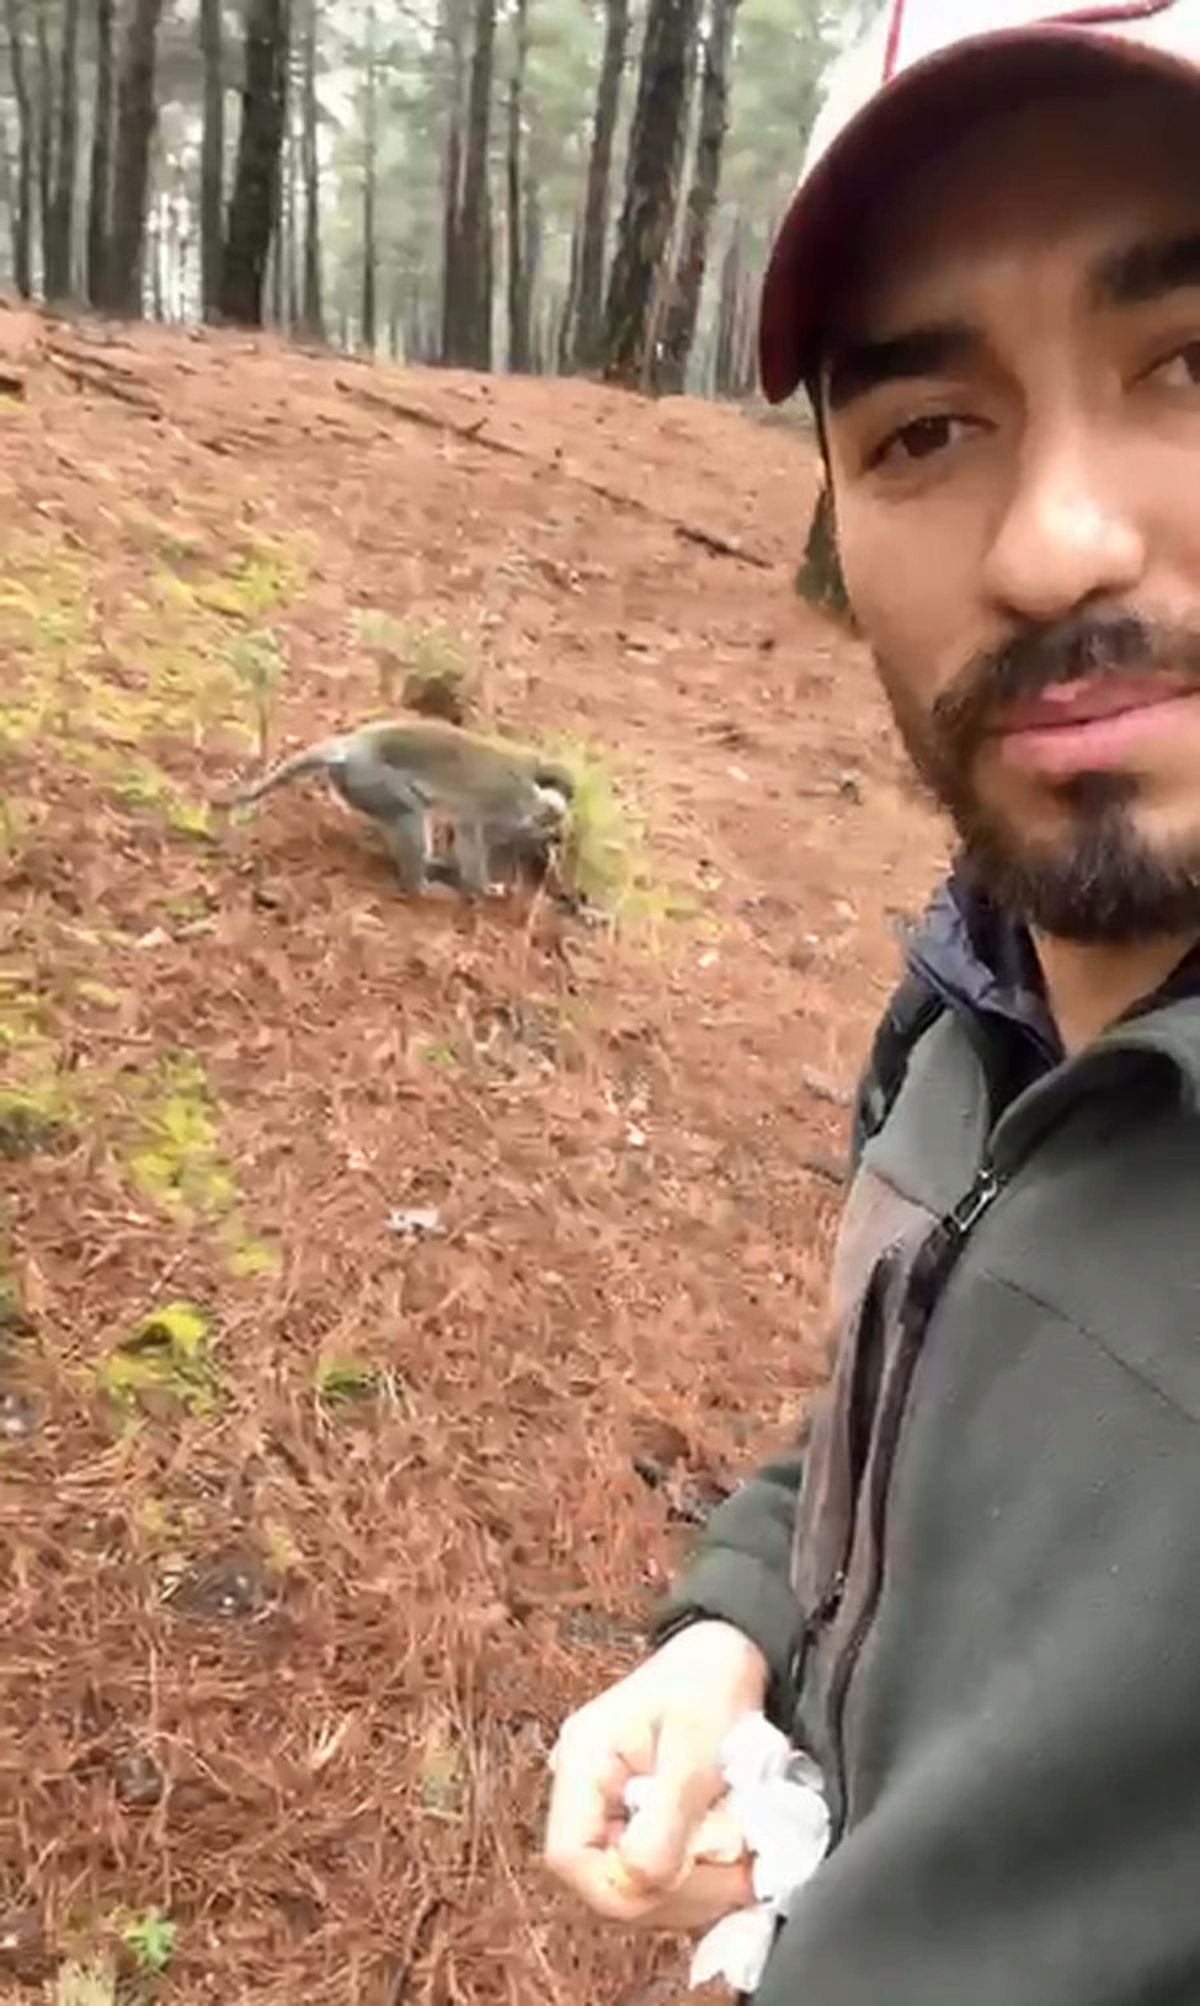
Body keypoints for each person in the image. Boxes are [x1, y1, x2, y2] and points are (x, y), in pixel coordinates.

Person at [543, 3, 1200, 2000]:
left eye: (1194, 363)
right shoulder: (977, 1002)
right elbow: (906, 1413)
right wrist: (741, 1625)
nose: (1056, 546)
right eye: (926, 428)